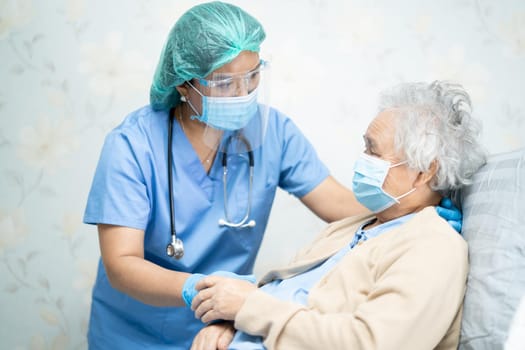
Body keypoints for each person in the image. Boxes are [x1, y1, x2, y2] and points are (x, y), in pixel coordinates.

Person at [82, 2, 461, 348]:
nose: (244, 93)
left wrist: (415, 211)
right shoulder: (133, 145)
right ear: (184, 83)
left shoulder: (272, 133)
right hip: (133, 330)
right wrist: (198, 288)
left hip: (227, 324)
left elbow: (339, 204)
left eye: (252, 76)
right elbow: (122, 264)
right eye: (225, 83)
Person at [189, 80, 487, 350]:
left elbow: (369, 343)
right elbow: (283, 298)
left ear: (424, 172)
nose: (362, 160)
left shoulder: (433, 247)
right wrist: (229, 324)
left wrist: (248, 308)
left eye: (373, 151)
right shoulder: (353, 227)